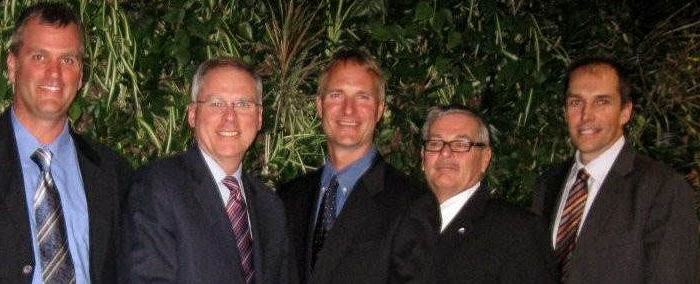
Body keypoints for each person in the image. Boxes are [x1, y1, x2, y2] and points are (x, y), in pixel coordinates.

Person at [0, 3, 132, 284]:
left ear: (80, 76)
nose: (54, 73)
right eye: (39, 57)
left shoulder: (114, 174)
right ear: (12, 66)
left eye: (68, 60)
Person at [123, 58, 292, 284]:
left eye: (243, 104)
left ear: (259, 118)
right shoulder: (158, 187)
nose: (230, 117)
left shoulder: (270, 206)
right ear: (193, 114)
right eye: (216, 103)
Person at [531, 57, 698, 283]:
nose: (586, 116)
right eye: (576, 102)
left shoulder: (662, 188)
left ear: (625, 112)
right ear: (565, 111)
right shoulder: (547, 184)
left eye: (602, 102)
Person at [278, 50, 437, 284]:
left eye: (362, 97)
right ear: (320, 106)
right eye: (336, 95)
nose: (348, 109)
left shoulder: (410, 203)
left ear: (380, 110)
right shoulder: (288, 198)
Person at [420, 105, 554, 283]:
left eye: (461, 144)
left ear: (485, 158)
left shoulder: (517, 231)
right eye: (435, 144)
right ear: (422, 157)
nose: (445, 153)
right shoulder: (400, 220)